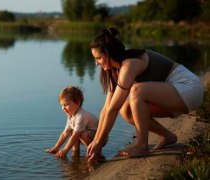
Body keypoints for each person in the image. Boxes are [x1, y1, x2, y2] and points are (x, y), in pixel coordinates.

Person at [87, 27, 204, 161]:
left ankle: (142, 146)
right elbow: (107, 108)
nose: (96, 63)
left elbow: (113, 109)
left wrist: (98, 142)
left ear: (109, 53)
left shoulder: (129, 64)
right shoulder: (116, 72)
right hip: (173, 95)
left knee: (137, 90)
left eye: (99, 58)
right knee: (126, 110)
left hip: (188, 88)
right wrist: (97, 143)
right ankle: (167, 136)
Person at [46, 86, 99, 157]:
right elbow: (65, 133)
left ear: (77, 103)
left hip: (98, 139)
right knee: (72, 130)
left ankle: (92, 151)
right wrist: (56, 147)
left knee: (79, 133)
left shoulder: (81, 116)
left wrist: (65, 149)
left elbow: (75, 136)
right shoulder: (71, 115)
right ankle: (75, 152)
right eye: (62, 105)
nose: (63, 108)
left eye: (66, 105)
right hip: (88, 135)